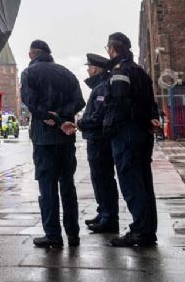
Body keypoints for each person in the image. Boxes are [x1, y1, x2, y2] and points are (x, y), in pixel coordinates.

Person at [20, 39, 85, 248]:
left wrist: (52, 118)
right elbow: (80, 101)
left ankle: (53, 236)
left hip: (44, 139)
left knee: (47, 187)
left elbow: (31, 104)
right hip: (66, 138)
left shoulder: (29, 73)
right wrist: (63, 117)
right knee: (68, 185)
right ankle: (73, 234)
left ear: (32, 54)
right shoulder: (66, 73)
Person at [103, 32, 161, 247]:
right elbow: (150, 103)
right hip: (143, 134)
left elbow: (119, 103)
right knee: (144, 183)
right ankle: (147, 229)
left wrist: (109, 127)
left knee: (131, 183)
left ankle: (140, 231)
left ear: (111, 49)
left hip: (127, 134)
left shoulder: (120, 72)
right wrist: (151, 119)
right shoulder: (140, 72)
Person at [76, 54, 118, 233]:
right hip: (98, 139)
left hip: (99, 140)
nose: (87, 70)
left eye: (89, 67)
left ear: (94, 69)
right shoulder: (101, 86)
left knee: (103, 179)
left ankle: (108, 218)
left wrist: (80, 124)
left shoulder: (101, 88)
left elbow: (98, 117)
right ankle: (103, 213)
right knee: (99, 179)